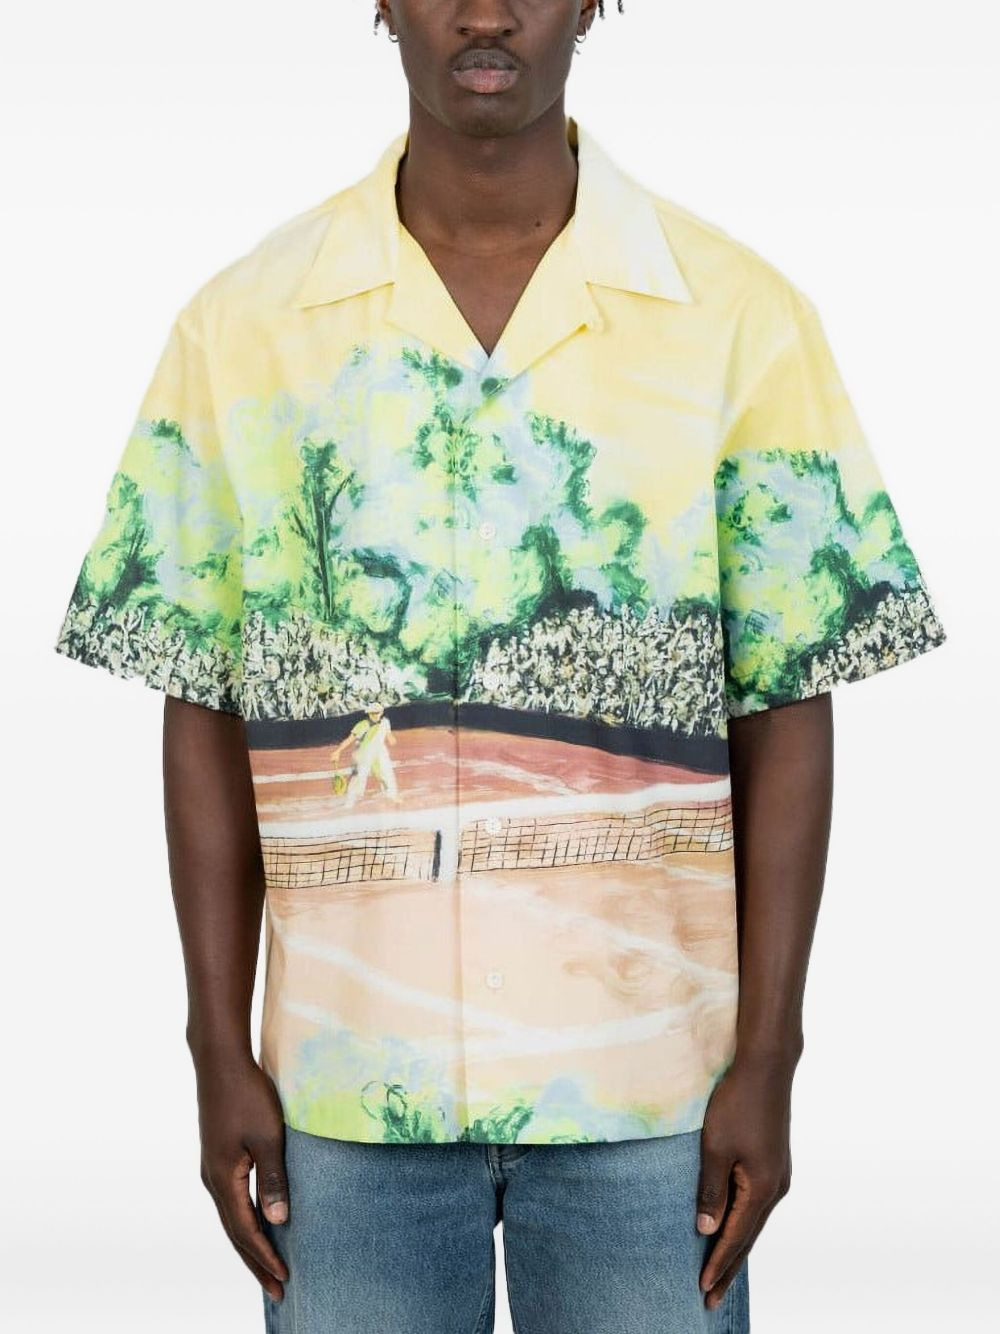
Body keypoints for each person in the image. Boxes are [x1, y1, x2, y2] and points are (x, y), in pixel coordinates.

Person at [53, 2, 948, 1331]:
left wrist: (771, 1052)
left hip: (654, 1098)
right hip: (341, 1102)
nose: (485, 11)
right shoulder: (243, 328)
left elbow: (788, 700)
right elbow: (202, 698)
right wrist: (213, 1047)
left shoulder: (737, 319)